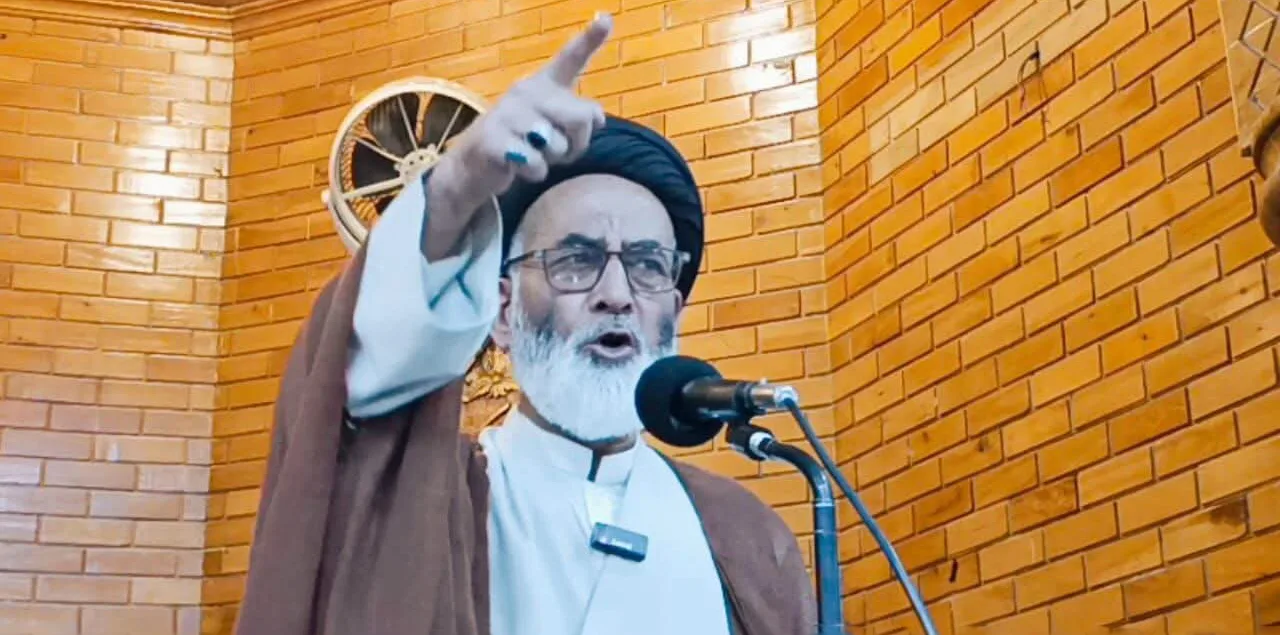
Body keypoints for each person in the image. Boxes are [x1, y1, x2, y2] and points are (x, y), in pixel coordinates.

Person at [233, 14, 816, 635]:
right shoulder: (429, 504)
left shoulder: (743, 538)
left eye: (647, 265)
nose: (616, 295)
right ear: (503, 312)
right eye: (576, 261)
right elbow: (336, 401)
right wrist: (455, 186)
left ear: (673, 311)